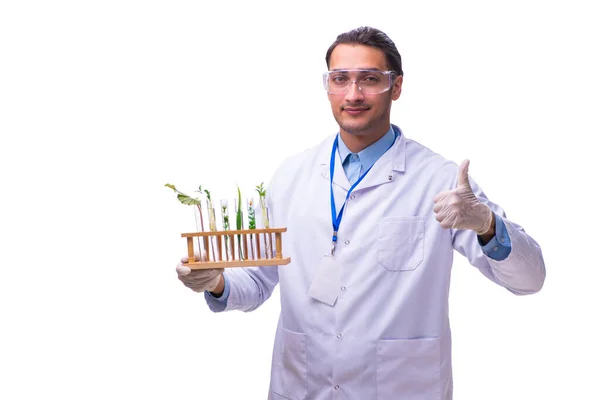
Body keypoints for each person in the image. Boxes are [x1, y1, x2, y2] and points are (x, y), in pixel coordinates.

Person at [175, 26, 546, 400]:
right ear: (328, 86)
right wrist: (216, 284)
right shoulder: (291, 177)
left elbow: (529, 280)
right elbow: (257, 284)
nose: (353, 94)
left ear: (396, 87)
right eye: (341, 79)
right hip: (303, 387)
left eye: (370, 79)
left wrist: (486, 224)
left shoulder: (441, 181)